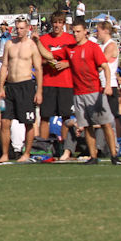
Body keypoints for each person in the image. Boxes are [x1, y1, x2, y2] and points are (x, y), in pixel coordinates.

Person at [69, 19, 119, 165]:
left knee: (107, 122)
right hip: (89, 88)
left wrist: (107, 84)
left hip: (103, 87)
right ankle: (94, 155)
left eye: (98, 30)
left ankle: (114, 153)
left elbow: (102, 65)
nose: (96, 33)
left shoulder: (107, 46)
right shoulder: (99, 46)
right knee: (89, 124)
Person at [0, 18, 42, 163]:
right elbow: (4, 66)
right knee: (5, 121)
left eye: (22, 28)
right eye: (17, 28)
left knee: (28, 122)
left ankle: (26, 153)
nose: (19, 31)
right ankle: (5, 154)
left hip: (26, 86)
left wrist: (39, 91)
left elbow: (38, 69)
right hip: (10, 87)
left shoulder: (32, 45)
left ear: (27, 28)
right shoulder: (9, 44)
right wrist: (1, 87)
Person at [34, 10, 77, 142]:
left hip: (66, 83)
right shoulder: (43, 39)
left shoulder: (70, 39)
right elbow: (36, 61)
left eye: (59, 22)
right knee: (45, 116)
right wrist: (47, 62)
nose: (57, 25)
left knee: (66, 116)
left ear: (64, 24)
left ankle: (64, 146)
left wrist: (66, 64)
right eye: (54, 22)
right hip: (48, 82)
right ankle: (43, 145)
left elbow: (76, 59)